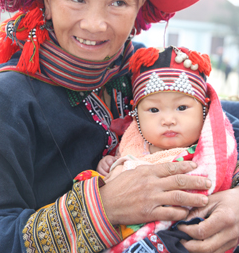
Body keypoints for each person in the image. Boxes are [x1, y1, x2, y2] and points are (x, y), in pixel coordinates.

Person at [0, 0, 238, 253]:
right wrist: (104, 207)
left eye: (117, 3)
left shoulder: (149, 71)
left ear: (140, 4)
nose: (95, 24)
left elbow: (226, 124)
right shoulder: (5, 101)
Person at [95, 46, 237, 252]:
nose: (168, 120)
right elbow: (116, 170)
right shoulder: (132, 145)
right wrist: (110, 165)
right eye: (153, 110)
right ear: (136, 116)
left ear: (204, 112)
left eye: (182, 108)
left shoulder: (211, 151)